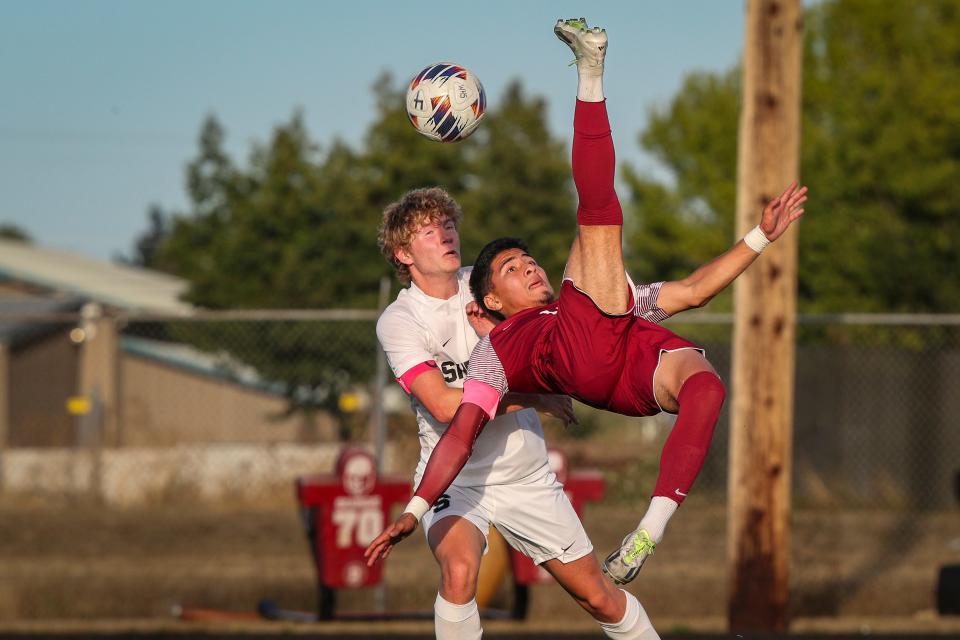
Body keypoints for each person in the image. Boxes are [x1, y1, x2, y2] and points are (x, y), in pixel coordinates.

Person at [365, 15, 807, 594]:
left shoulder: (583, 302)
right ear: (492, 299)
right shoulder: (499, 349)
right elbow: (458, 426)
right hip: (580, 351)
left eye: (529, 261)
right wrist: (416, 508)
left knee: (708, 388)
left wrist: (761, 236)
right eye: (509, 268)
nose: (528, 266)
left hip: (630, 365)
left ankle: (651, 527)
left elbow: (697, 290)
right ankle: (590, 74)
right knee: (596, 214)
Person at [370, 18, 689, 640]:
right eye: (427, 230)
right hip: (453, 476)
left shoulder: (486, 283)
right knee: (459, 572)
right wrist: (537, 393)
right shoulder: (400, 320)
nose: (445, 233)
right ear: (403, 254)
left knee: (599, 597)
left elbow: (553, 319)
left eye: (448, 224)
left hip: (524, 473)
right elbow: (441, 403)